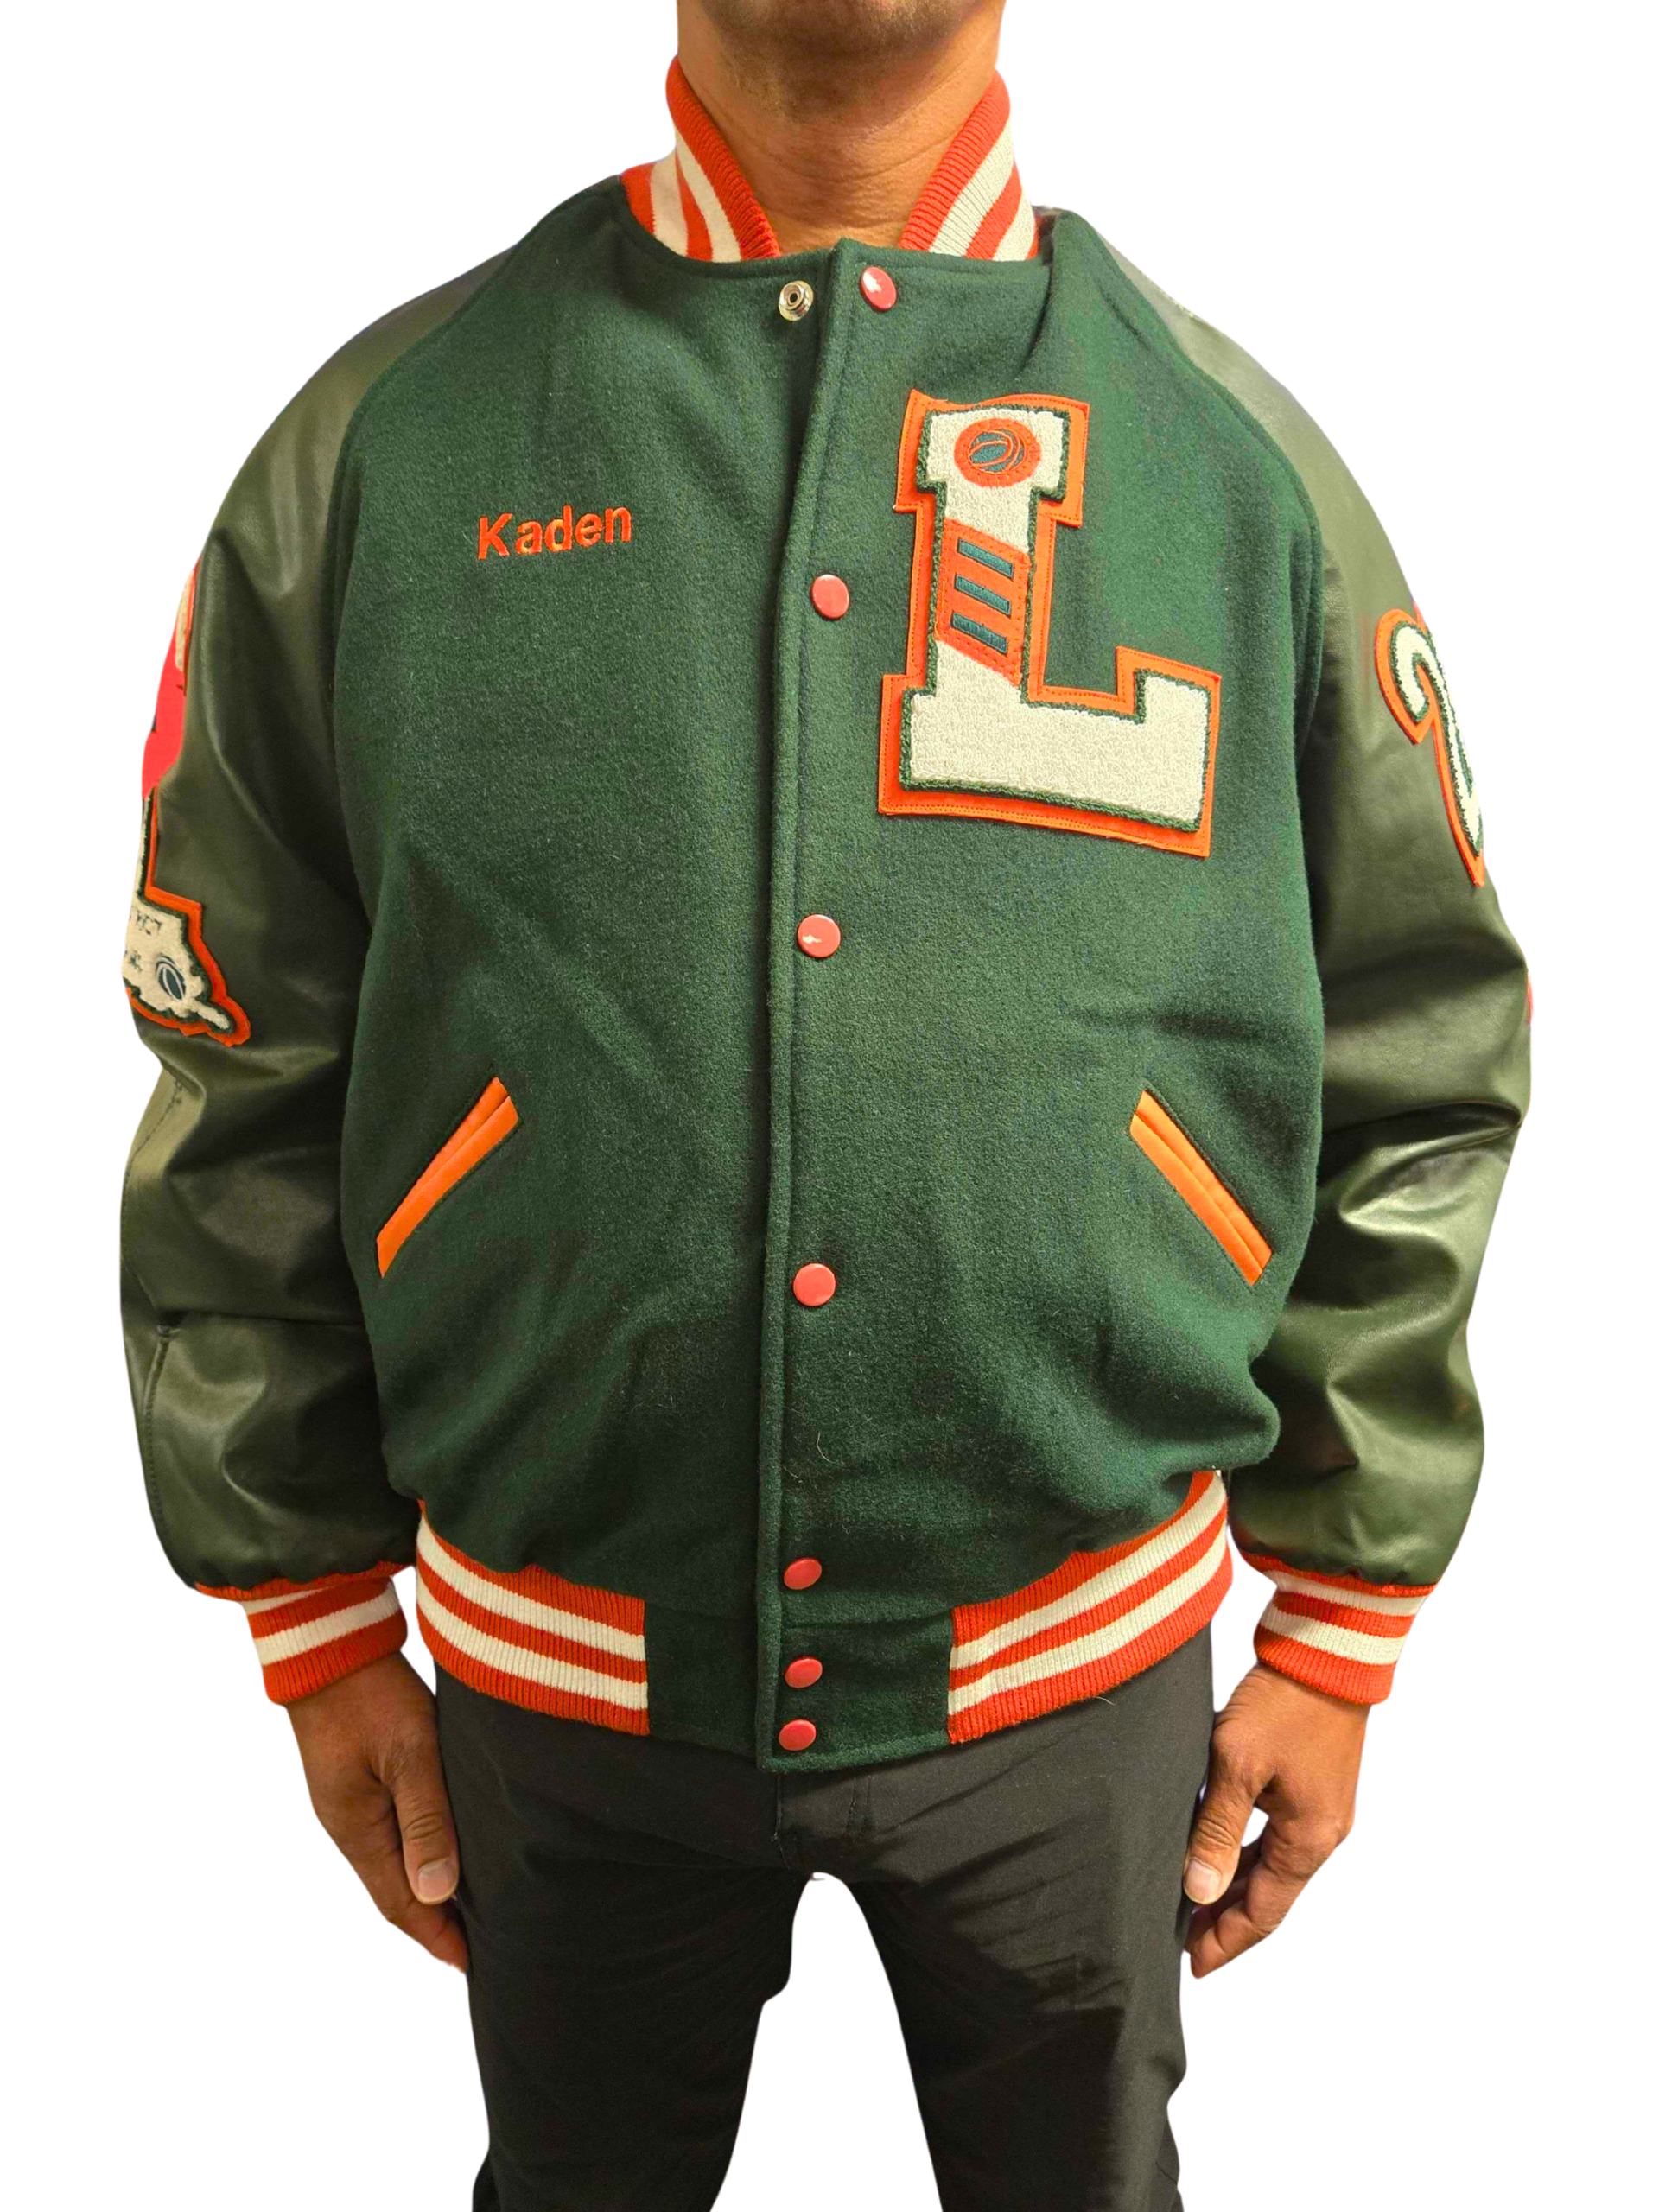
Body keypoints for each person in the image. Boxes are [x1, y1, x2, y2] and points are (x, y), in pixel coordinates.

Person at [114, 4, 1535, 2206]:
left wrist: (1346, 1613)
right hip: (541, 1663)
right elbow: (235, 1036)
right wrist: (305, 1600)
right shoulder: (382, 438)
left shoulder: (1240, 453)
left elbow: (1429, 1033)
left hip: (1092, 1657)